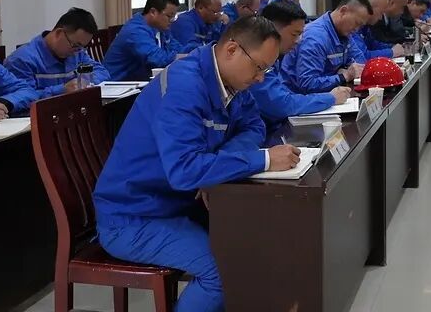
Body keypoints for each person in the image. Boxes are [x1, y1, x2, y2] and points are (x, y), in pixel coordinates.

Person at [93, 16, 300, 312]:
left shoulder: (230, 82)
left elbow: (254, 125)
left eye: (266, 70)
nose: (260, 78)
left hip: (178, 203)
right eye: (259, 67)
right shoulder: (184, 86)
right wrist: (263, 159)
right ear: (232, 50)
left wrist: (219, 164)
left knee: (256, 237)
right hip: (133, 216)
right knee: (220, 272)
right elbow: (184, 170)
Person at [250, 0, 351, 131]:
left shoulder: (276, 58)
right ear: (272, 30)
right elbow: (282, 105)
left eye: (300, 34)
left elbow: (285, 96)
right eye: (294, 34)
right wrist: (330, 98)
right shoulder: (257, 62)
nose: (298, 41)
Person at [5, 7, 111, 98]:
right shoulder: (21, 60)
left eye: (82, 47)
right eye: (75, 45)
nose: (77, 51)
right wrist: (62, 90)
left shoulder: (77, 53)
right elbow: (22, 98)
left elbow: (102, 72)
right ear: (59, 33)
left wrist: (84, 82)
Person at [278, 0, 372, 94]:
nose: (357, 29)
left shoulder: (344, 32)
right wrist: (344, 76)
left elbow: (361, 63)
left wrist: (344, 70)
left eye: (360, 26)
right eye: (356, 23)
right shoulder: (315, 37)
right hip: (297, 97)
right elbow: (308, 84)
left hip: (325, 93)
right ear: (343, 11)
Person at [104, 0, 187, 81]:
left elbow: (179, 49)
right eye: (169, 16)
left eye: (174, 17)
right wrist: (180, 56)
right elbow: (157, 60)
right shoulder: (135, 31)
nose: (172, 20)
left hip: (140, 81)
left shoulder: (161, 28)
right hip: (118, 85)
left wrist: (189, 53)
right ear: (153, 12)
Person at [350, 0, 404, 64]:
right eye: (381, 13)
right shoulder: (354, 26)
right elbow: (362, 56)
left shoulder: (366, 26)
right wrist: (392, 52)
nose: (381, 18)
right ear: (371, 9)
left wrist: (393, 46)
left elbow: (374, 45)